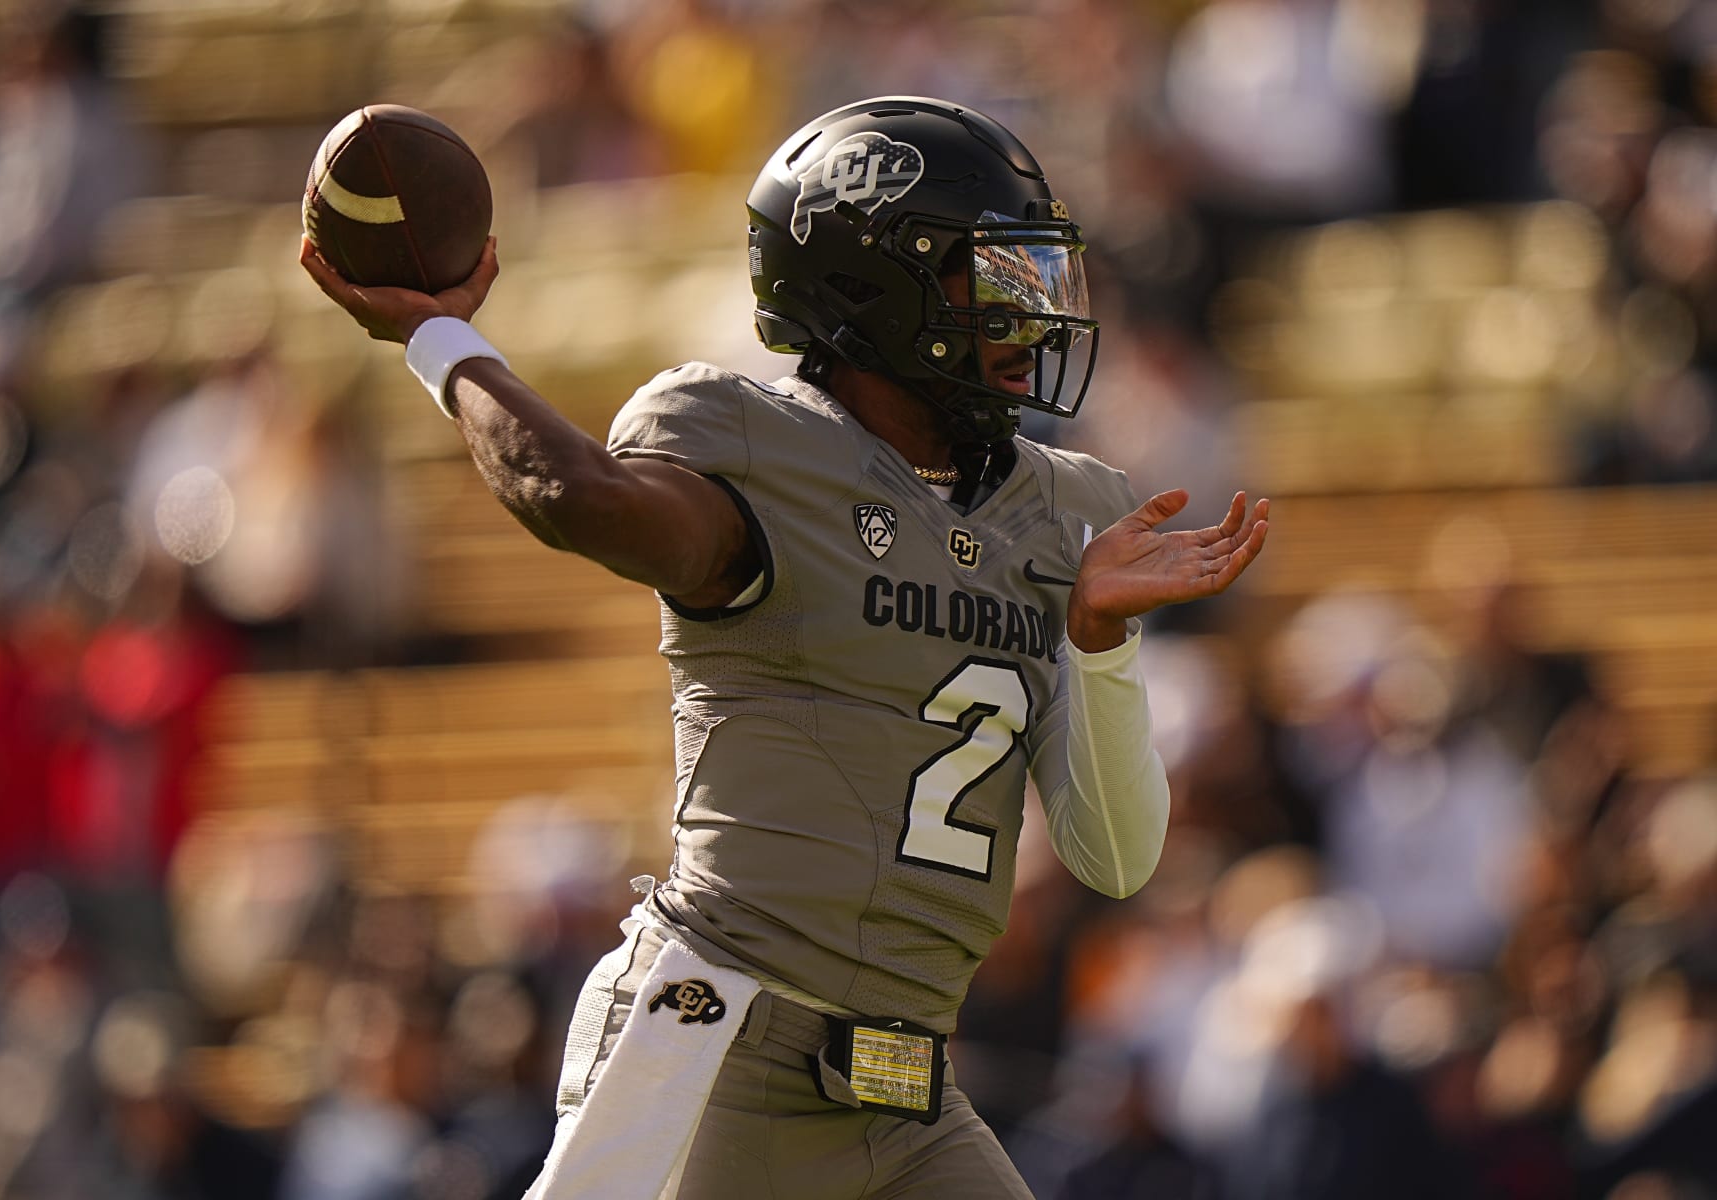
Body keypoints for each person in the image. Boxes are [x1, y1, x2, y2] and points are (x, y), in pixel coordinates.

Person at [301, 96, 1269, 1200]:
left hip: (911, 1088)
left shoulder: (1060, 513)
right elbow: (570, 491)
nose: (1032, 316)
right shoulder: (763, 449)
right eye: (995, 278)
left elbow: (1118, 858)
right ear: (878, 287)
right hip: (721, 1044)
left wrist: (1098, 644)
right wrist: (440, 336)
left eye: (1038, 279)